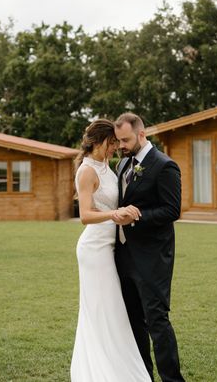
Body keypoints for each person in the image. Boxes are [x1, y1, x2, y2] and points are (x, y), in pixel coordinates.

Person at [71, 119, 152, 382]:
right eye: (111, 143)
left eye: (117, 143)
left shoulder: (108, 166)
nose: (115, 148)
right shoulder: (86, 172)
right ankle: (100, 370)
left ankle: (118, 365)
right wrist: (114, 214)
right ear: (97, 141)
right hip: (94, 249)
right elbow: (84, 215)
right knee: (102, 309)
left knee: (113, 309)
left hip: (110, 247)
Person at [113, 113, 185, 382]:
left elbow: (171, 210)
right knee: (134, 322)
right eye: (118, 140)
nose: (121, 145)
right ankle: (143, 376)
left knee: (157, 321)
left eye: (125, 139)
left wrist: (137, 216)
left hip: (153, 258)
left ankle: (172, 380)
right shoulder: (122, 165)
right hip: (124, 256)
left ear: (141, 134)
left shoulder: (164, 165)